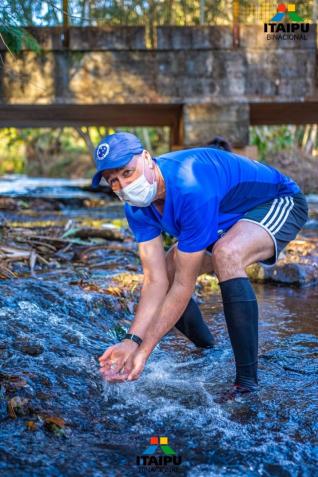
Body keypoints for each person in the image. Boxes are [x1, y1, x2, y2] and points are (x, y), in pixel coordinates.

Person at [93, 131, 308, 395]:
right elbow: (155, 280)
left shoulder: (189, 184)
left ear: (147, 159)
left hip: (277, 201)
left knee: (226, 254)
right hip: (224, 214)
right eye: (113, 181)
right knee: (170, 267)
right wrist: (130, 340)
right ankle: (208, 347)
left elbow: (185, 285)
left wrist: (143, 352)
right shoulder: (136, 206)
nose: (124, 185)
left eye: (127, 172)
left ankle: (247, 384)